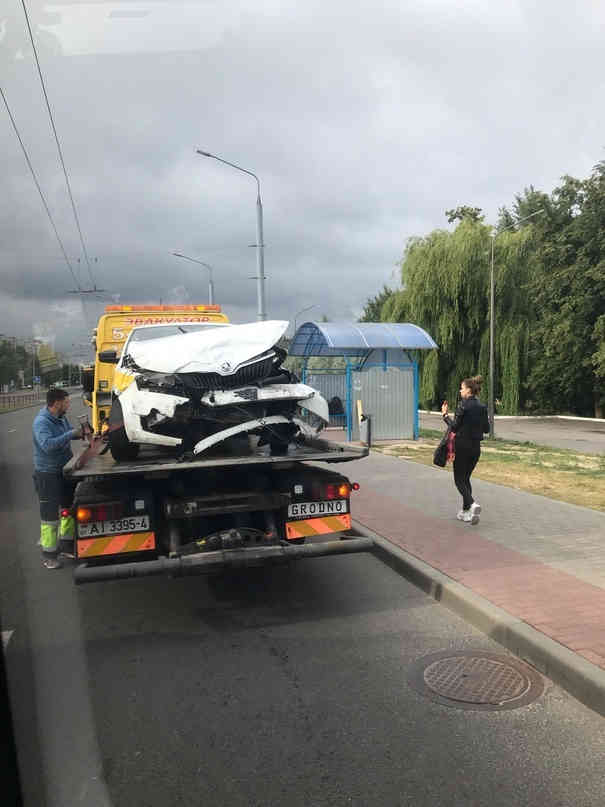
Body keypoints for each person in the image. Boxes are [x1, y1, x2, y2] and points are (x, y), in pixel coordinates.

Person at [32, 388, 84, 569]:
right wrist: (70, 434)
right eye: (66, 402)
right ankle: (49, 555)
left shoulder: (61, 418)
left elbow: (68, 433)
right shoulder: (41, 422)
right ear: (57, 403)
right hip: (47, 474)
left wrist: (80, 433)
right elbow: (47, 446)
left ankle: (66, 544)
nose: (68, 404)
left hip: (64, 471)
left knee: (67, 509)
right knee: (49, 517)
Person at [441, 375, 489, 525]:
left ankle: (473, 504)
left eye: (461, 388)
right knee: (465, 478)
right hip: (476, 449)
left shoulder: (463, 405)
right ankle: (466, 512)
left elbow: (454, 427)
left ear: (468, 390)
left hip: (462, 447)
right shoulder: (482, 407)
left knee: (458, 480)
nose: (460, 391)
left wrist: (445, 415)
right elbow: (486, 429)